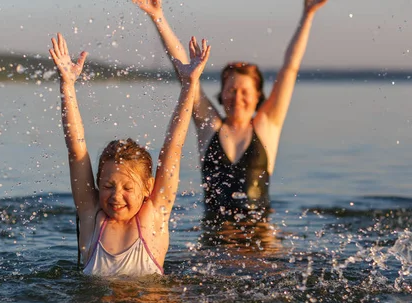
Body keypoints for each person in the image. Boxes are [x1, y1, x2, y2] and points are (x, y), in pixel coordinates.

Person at [132, 0, 328, 225]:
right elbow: (185, 71)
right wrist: (158, 17)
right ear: (222, 94)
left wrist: (307, 16)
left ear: (257, 96)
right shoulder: (209, 126)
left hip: (259, 239)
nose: (237, 97)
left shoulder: (267, 126)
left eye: (245, 91)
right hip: (215, 235)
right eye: (231, 90)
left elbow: (290, 69)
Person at [49, 33, 210, 276]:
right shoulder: (92, 217)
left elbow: (173, 150)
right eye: (108, 186)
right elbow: (76, 150)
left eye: (127, 188)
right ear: (97, 184)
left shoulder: (155, 215)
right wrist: (67, 85)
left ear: (148, 187)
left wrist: (189, 86)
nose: (116, 196)